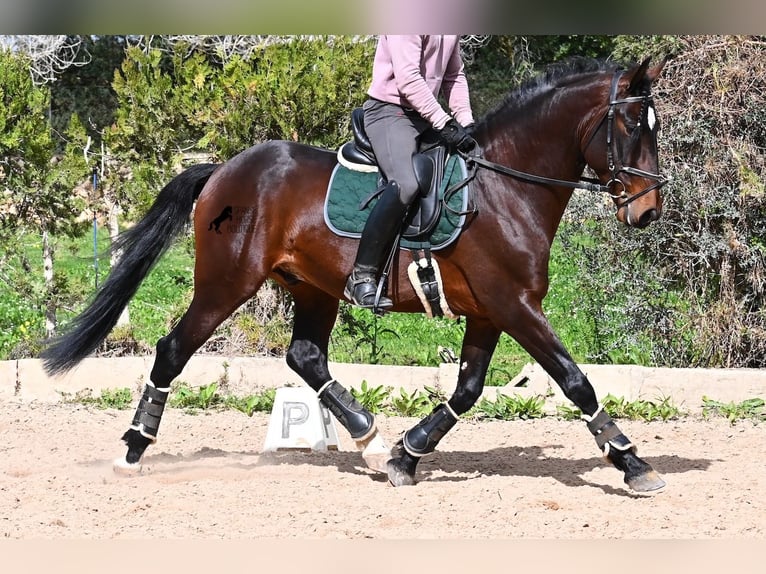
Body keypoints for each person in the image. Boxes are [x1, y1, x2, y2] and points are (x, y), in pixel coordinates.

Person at [344, 35, 478, 310]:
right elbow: (408, 78)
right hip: (390, 112)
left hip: (425, 116)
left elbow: (455, 76)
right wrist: (444, 122)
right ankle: (361, 277)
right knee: (406, 183)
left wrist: (467, 123)